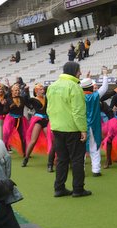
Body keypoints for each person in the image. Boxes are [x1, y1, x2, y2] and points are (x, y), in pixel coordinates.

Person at [47, 62, 91, 198]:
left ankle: (59, 188)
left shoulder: (52, 86)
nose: (80, 73)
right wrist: (83, 130)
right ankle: (78, 189)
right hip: (72, 129)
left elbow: (49, 109)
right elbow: (78, 111)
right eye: (79, 71)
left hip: (57, 128)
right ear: (74, 71)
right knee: (77, 159)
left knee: (61, 159)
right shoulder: (75, 87)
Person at [81, 69, 109, 177]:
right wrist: (105, 75)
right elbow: (104, 87)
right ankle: (96, 170)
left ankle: (81, 170)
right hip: (95, 125)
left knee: (81, 149)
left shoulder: (79, 96)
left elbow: (80, 86)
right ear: (91, 87)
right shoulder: (95, 95)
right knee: (95, 146)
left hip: (82, 126)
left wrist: (87, 78)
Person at [21, 84, 55, 171]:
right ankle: (26, 158)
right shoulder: (33, 99)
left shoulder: (46, 98)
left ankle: (50, 163)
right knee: (33, 141)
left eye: (42, 89)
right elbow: (26, 101)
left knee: (51, 140)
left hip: (46, 120)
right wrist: (26, 91)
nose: (42, 90)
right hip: (38, 121)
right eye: (40, 89)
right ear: (36, 91)